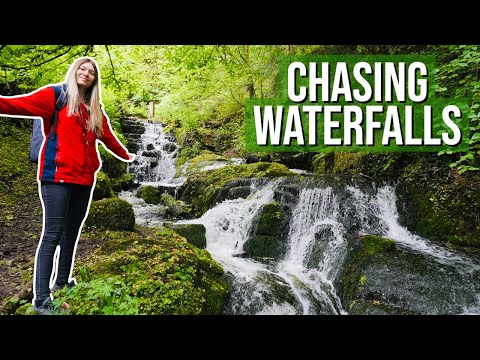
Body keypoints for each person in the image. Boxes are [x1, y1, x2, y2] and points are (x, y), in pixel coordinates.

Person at [0, 56, 136, 315]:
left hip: (84, 180)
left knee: (71, 234)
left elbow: (107, 136)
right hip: (57, 178)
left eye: (91, 72)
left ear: (95, 79)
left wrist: (126, 155)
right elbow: (16, 105)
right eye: (82, 69)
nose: (86, 73)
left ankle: (62, 282)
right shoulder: (56, 96)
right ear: (74, 71)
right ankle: (41, 299)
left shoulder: (94, 108)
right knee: (52, 235)